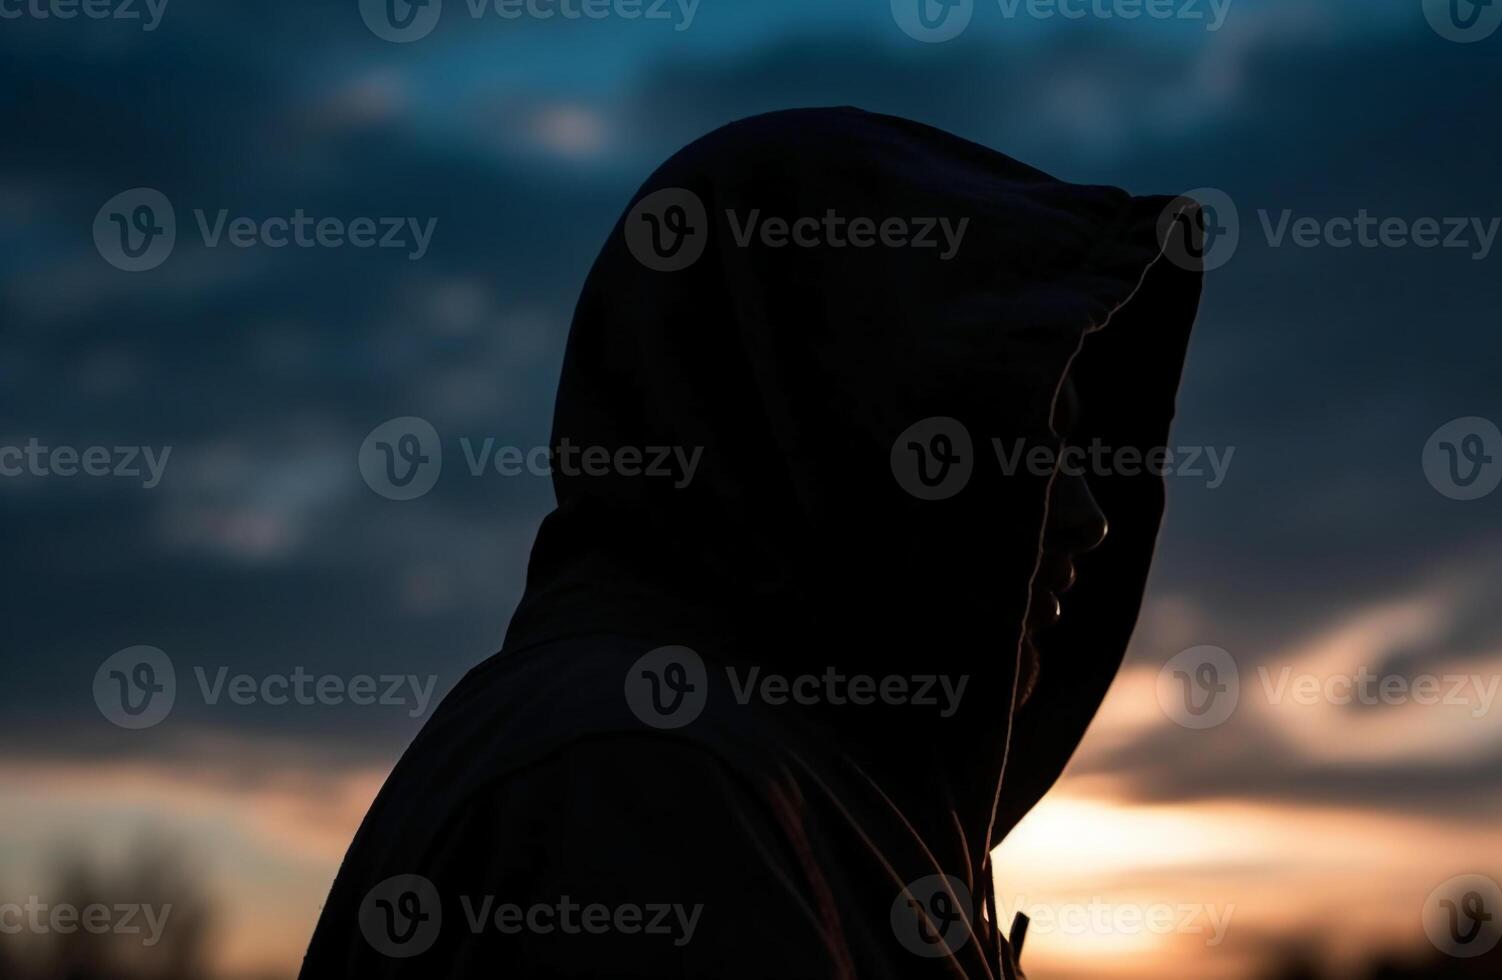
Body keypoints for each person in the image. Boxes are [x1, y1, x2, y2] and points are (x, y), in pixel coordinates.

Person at [302, 106, 1203, 979]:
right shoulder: (648, 782)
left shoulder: (763, 781)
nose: (1091, 515)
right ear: (840, 422)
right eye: (1028, 440)